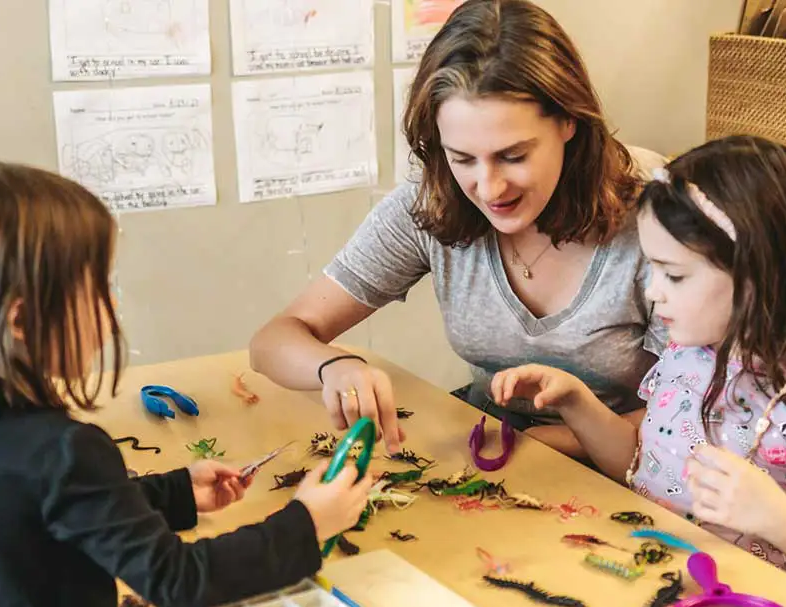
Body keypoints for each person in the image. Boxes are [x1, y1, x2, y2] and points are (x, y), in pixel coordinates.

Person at [0, 162, 373, 607]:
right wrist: (306, 523)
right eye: (97, 287)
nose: (114, 306)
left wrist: (174, 493)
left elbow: (41, 511)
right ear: (20, 319)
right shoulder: (63, 450)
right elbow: (177, 578)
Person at [249, 0, 667, 458]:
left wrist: (535, 444)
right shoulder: (432, 201)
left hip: (628, 470)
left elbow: (702, 418)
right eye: (462, 158)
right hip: (494, 452)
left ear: (569, 121)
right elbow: (274, 340)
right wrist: (336, 367)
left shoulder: (662, 215)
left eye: (513, 155)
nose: (489, 188)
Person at [492, 135, 786, 573]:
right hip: (650, 571)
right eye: (653, 267)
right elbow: (639, 468)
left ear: (756, 274)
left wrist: (781, 520)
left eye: (673, 275)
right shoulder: (688, 353)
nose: (654, 292)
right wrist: (576, 403)